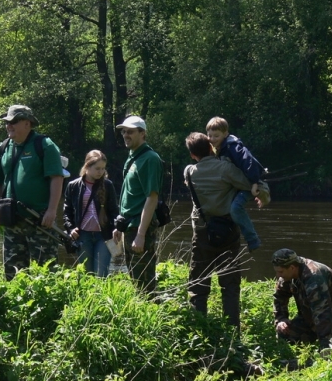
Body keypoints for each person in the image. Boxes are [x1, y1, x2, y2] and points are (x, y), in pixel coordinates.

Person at [184, 132, 269, 330]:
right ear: (211, 147)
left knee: (198, 284)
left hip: (202, 233)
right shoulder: (226, 168)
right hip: (228, 232)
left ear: (192, 155)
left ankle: (199, 328)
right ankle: (232, 330)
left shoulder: (189, 172)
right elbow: (250, 185)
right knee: (230, 285)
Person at [0, 105, 64, 280]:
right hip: (12, 221)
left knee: (46, 274)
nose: (9, 125)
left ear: (27, 123)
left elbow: (56, 178)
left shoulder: (44, 145)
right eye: (7, 122)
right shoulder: (3, 148)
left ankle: (48, 306)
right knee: (13, 274)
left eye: (14, 122)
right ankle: (15, 306)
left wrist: (52, 210)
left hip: (40, 221)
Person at [272, 248, 332, 353]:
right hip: (311, 318)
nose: (278, 275)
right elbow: (280, 296)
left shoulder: (314, 277)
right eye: (277, 272)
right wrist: (281, 318)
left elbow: (322, 313)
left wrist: (325, 343)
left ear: (292, 267)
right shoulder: (288, 274)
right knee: (284, 334)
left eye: (280, 272)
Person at [112, 115, 163, 294]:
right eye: (124, 131)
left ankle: (152, 317)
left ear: (143, 133)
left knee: (144, 282)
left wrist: (141, 234)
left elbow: (152, 198)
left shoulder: (150, 159)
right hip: (129, 226)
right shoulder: (133, 156)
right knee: (135, 277)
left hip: (140, 228)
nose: (126, 135)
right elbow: (130, 195)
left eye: (131, 131)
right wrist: (120, 224)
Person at [206, 116, 267, 252]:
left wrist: (254, 184)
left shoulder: (232, 146)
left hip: (249, 183)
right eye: (209, 135)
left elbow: (248, 162)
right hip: (238, 185)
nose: (212, 139)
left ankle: (252, 240)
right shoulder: (220, 147)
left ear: (225, 134)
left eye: (216, 136)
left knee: (235, 208)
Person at [63, 150, 120, 277]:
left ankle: (100, 296)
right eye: (97, 168)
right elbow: (67, 212)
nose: (101, 172)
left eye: (103, 169)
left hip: (104, 235)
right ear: (87, 166)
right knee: (86, 275)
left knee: (101, 274)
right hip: (82, 235)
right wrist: (70, 229)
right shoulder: (73, 186)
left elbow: (114, 211)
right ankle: (87, 297)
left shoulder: (107, 185)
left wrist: (116, 227)